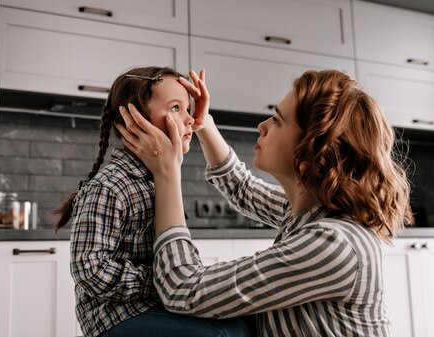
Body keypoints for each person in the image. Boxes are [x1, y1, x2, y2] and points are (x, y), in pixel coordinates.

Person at [117, 68, 413, 337]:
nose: (262, 125)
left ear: (312, 151)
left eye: (278, 120)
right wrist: (202, 123)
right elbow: (241, 187)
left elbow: (184, 289)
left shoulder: (334, 244)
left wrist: (166, 173)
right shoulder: (310, 212)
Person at [53, 66, 250, 337]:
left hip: (158, 305)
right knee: (222, 335)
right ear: (134, 119)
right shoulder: (110, 186)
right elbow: (90, 270)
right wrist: (160, 282)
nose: (190, 120)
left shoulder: (161, 179)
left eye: (188, 109)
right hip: (116, 317)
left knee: (242, 325)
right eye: (176, 108)